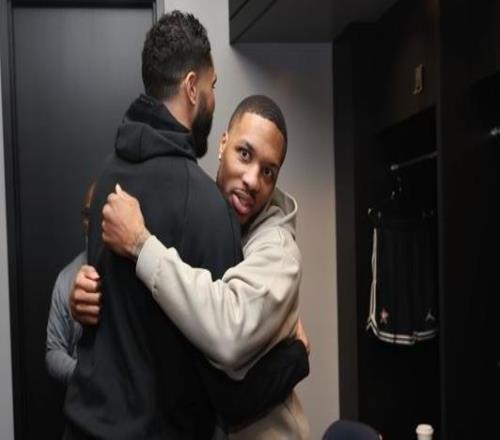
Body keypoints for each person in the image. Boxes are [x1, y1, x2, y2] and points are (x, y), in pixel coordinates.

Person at [64, 11, 308, 440]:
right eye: (246, 155)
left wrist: (141, 244)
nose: (253, 180)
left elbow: (226, 340)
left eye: (269, 171)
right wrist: (84, 295)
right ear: (223, 145)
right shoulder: (205, 207)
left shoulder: (277, 250)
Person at [45, 181, 95, 385]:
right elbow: (53, 351)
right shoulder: (66, 279)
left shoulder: (134, 273)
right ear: (84, 220)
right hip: (82, 399)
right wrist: (85, 378)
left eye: (102, 211)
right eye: (90, 214)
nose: (96, 221)